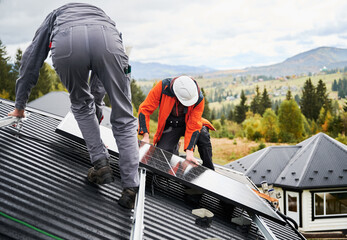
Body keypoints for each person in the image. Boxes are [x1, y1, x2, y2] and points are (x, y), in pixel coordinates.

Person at [7, 3, 139, 209]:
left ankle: (100, 163)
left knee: (80, 103)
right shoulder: (105, 19)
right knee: (124, 115)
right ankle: (131, 187)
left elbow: (31, 60)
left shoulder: (55, 16)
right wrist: (97, 104)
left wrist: (20, 106)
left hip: (67, 43)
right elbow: (100, 81)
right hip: (108, 42)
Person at [138, 75, 215, 170]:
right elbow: (144, 109)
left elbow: (194, 125)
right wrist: (145, 136)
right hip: (171, 126)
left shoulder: (198, 97)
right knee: (162, 155)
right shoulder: (163, 87)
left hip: (189, 123)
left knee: (203, 134)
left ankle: (209, 168)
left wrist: (189, 153)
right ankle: (175, 147)